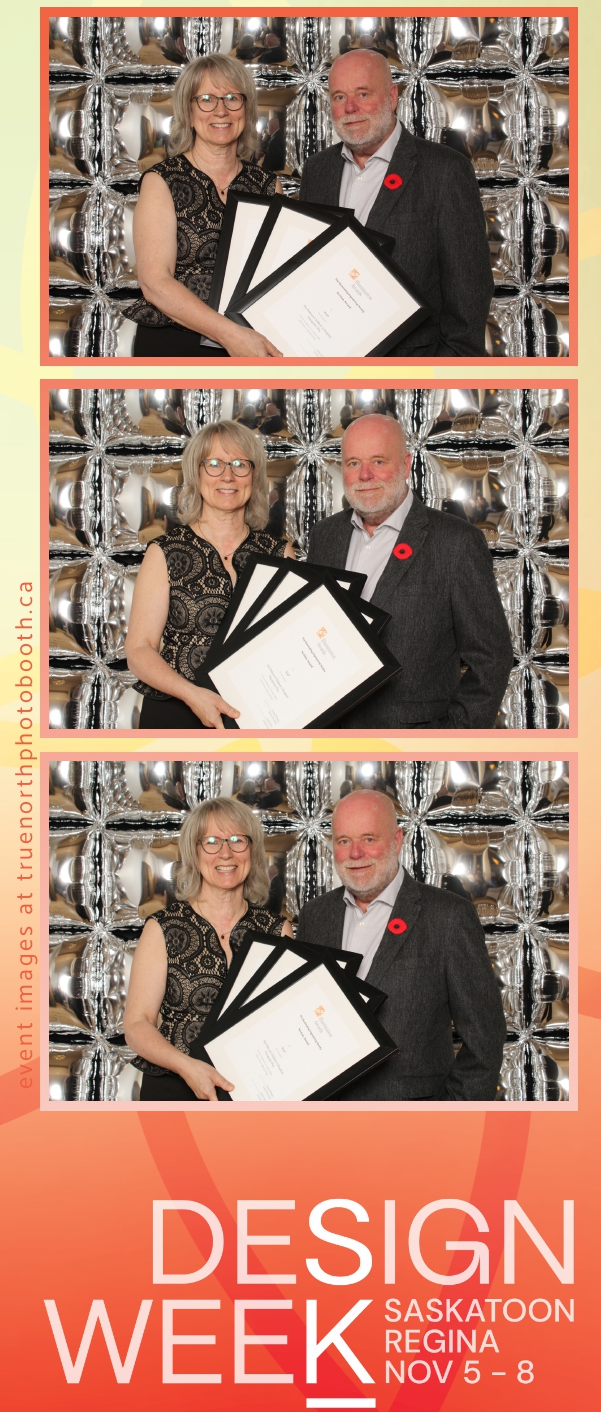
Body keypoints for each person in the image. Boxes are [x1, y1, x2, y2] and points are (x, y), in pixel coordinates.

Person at [306, 412, 513, 728]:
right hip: (331, 739)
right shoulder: (325, 536)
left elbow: (492, 658)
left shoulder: (456, 541)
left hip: (414, 743)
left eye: (378, 461)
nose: (365, 475)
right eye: (353, 463)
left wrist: (453, 739)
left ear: (405, 464)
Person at [295, 790, 506, 1100]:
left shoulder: (448, 916)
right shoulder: (315, 916)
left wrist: (452, 1116)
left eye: (368, 839)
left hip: (415, 1120)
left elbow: (485, 1036)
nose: (355, 853)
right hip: (327, 1117)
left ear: (396, 840)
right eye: (344, 841)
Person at [299, 48, 493, 359]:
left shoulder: (444, 170)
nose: (350, 107)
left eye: (363, 94)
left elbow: (469, 298)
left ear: (392, 97)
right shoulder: (318, 171)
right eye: (339, 97)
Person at [125, 421, 294, 730]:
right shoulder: (164, 552)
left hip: (258, 716)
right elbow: (138, 650)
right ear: (197, 473)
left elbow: (291, 642)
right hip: (175, 712)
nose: (228, 476)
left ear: (254, 476)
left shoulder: (280, 554)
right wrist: (192, 695)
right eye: (214, 464)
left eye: (240, 464)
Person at [124, 798, 294, 1102]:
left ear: (252, 851)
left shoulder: (277, 931)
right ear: (195, 852)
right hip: (173, 1086)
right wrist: (187, 1067)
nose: (226, 853)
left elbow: (288, 1019)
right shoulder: (162, 927)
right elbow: (137, 1025)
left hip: (255, 1091)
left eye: (237, 840)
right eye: (212, 842)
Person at [125, 53, 284, 362]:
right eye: (207, 99)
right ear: (188, 110)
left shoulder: (268, 186)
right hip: (174, 345)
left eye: (232, 98)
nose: (221, 110)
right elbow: (154, 282)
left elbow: (278, 279)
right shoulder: (162, 181)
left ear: (246, 108)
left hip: (251, 348)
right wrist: (230, 334)